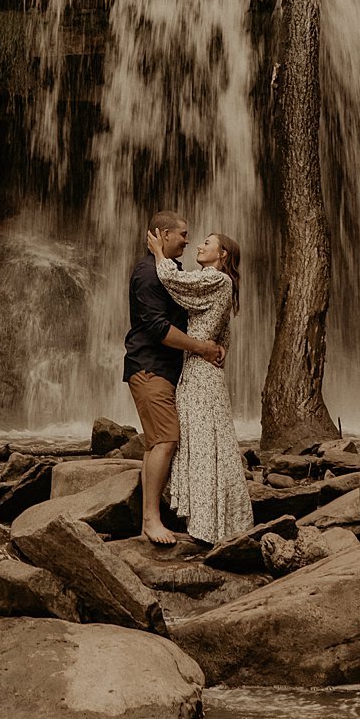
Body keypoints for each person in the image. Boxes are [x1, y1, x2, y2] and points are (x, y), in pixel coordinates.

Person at [124, 211, 225, 546]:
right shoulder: (148, 272)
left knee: (160, 441)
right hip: (149, 368)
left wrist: (216, 344)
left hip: (166, 371)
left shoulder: (171, 272)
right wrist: (202, 348)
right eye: (183, 234)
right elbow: (158, 329)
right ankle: (150, 521)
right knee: (165, 440)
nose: (187, 240)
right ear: (163, 234)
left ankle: (159, 515)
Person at [148, 227, 253, 546]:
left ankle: (207, 524)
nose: (199, 245)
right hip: (204, 370)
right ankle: (223, 519)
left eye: (208, 243)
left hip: (199, 372)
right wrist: (216, 349)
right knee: (210, 439)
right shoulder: (224, 285)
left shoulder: (217, 279)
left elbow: (174, 281)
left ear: (222, 255)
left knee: (204, 440)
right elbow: (223, 337)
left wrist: (158, 253)